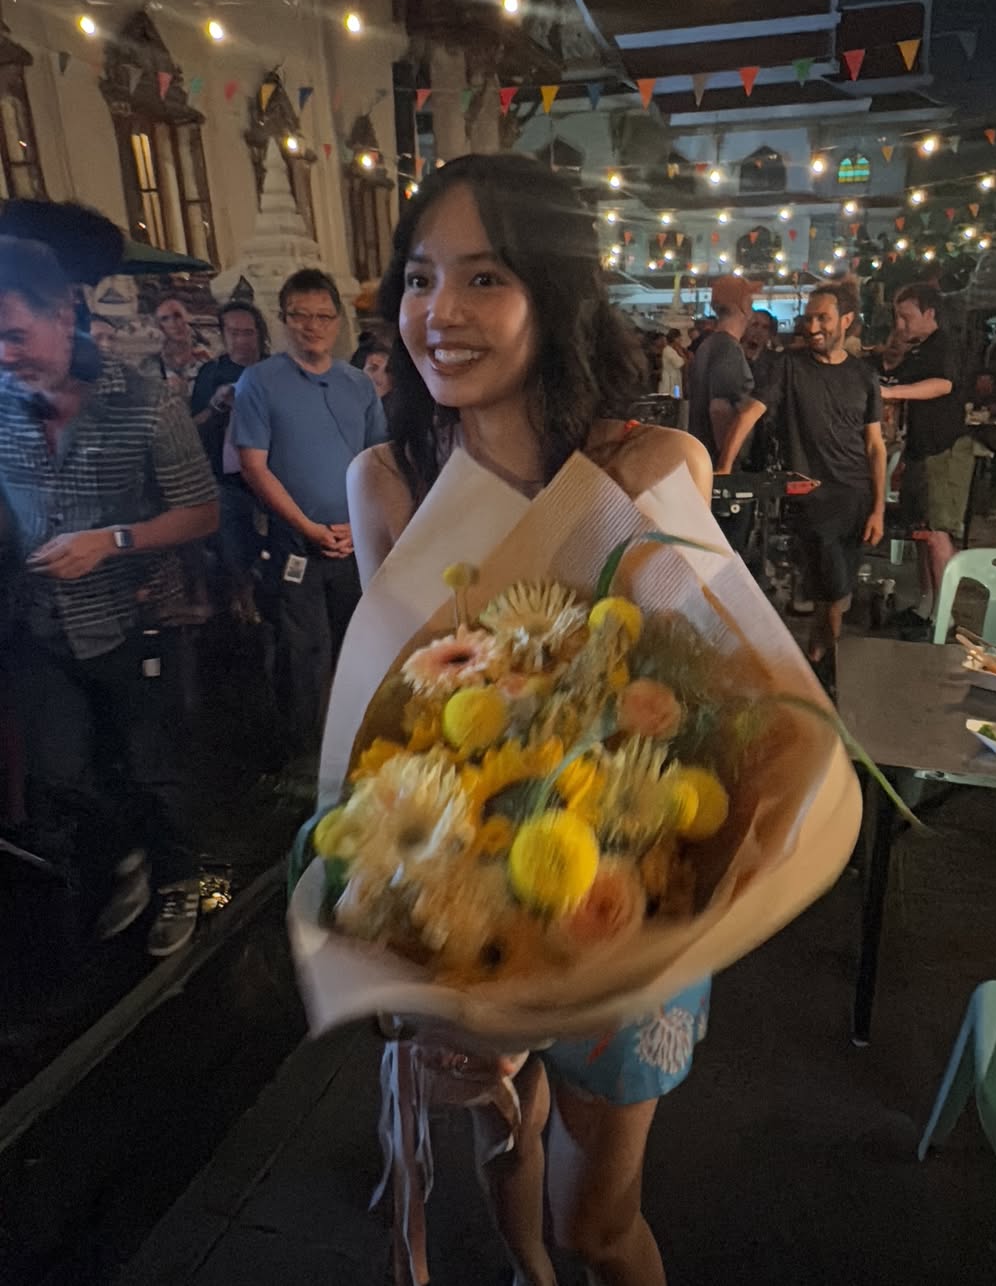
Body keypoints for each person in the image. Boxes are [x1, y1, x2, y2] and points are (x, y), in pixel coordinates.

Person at [352, 153, 714, 1286]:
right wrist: (424, 944)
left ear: (556, 295)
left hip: (623, 905)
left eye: (485, 277)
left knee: (598, 1223)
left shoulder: (653, 469)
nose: (439, 313)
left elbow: (694, 719)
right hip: (470, 899)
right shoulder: (386, 483)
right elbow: (391, 721)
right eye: (420, 278)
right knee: (503, 1143)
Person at [0, 236, 219, 955]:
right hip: (37, 626)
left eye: (16, 335)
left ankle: (180, 878)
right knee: (62, 772)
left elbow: (201, 512)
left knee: (153, 767)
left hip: (131, 620)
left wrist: (112, 540)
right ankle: (130, 856)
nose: (5, 356)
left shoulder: (146, 404)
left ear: (64, 315)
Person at [233, 269, 388, 750]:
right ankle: (302, 756)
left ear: (338, 322)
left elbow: (378, 460)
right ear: (283, 320)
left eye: (323, 316)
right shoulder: (259, 382)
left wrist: (357, 526)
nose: (312, 326)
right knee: (302, 655)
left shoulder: (357, 384)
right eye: (300, 315)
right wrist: (307, 526)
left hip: (353, 542)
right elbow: (253, 465)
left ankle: (357, 746)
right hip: (295, 543)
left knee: (359, 645)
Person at [715, 282, 886, 667]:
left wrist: (878, 508)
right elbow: (749, 413)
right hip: (811, 496)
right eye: (808, 319)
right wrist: (725, 467)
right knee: (833, 588)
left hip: (856, 498)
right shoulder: (787, 366)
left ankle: (817, 656)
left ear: (846, 320)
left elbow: (875, 446)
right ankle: (824, 664)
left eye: (822, 318)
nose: (812, 327)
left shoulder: (864, 375)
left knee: (836, 593)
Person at [880, 283, 972, 636]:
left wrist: (892, 392)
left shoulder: (944, 345)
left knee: (937, 533)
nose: (900, 325)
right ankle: (926, 605)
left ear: (930, 313)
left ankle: (944, 617)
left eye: (906, 317)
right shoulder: (920, 350)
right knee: (921, 531)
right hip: (921, 449)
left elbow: (944, 384)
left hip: (943, 449)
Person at [191, 300, 271, 618]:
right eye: (233, 333)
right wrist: (216, 404)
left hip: (272, 475)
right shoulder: (211, 373)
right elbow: (192, 425)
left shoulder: (274, 370)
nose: (240, 340)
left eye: (247, 333)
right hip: (227, 480)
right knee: (234, 549)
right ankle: (245, 609)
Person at [686, 274, 757, 466]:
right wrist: (728, 465)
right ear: (742, 306)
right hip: (722, 464)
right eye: (750, 301)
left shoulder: (709, 345)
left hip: (705, 457)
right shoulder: (728, 349)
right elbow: (720, 409)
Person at [154, 295, 212, 399]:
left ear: (187, 317)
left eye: (177, 316)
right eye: (165, 319)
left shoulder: (205, 356)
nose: (173, 323)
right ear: (159, 326)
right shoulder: (154, 363)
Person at [658, 327, 685, 396]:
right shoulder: (668, 350)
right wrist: (681, 353)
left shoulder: (672, 350)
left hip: (675, 380)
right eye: (679, 338)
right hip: (670, 381)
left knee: (677, 396)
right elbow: (679, 363)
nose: (681, 340)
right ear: (675, 339)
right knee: (674, 397)